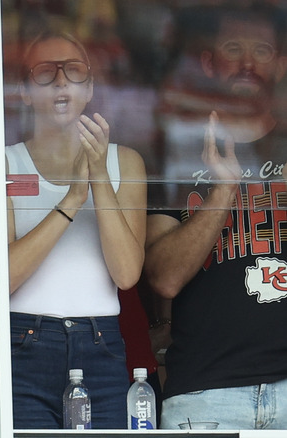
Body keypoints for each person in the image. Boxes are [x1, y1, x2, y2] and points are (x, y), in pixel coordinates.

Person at [144, 3, 287, 430]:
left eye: (262, 50)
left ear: (280, 64)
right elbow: (164, 277)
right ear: (208, 62)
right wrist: (225, 186)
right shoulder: (176, 150)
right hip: (207, 394)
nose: (248, 62)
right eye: (232, 48)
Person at [6, 30, 146, 429]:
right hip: (25, 338)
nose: (62, 81)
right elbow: (3, 278)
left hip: (100, 340)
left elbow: (126, 274)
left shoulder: (126, 163)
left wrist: (98, 175)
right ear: (25, 91)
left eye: (74, 71)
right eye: (46, 73)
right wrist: (70, 200)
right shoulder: (4, 162)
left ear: (90, 89)